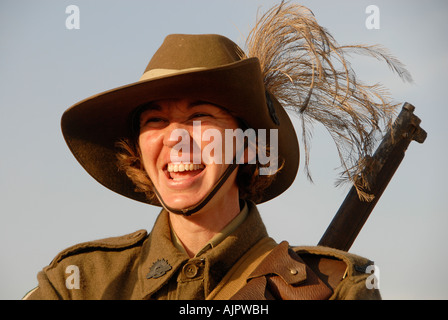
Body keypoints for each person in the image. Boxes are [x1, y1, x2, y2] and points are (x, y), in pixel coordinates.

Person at [24, 2, 409, 300]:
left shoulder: (332, 284)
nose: (175, 138)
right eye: (154, 121)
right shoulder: (78, 284)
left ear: (249, 144)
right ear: (137, 151)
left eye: (199, 117)